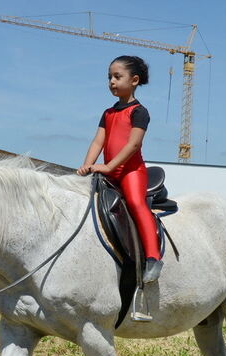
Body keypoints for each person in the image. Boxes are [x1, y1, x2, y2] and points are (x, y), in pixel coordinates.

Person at [77, 55, 162, 283]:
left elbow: (133, 144)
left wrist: (109, 166)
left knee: (135, 203)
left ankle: (153, 258)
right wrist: (87, 165)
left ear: (134, 80)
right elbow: (98, 142)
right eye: (109, 77)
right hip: (108, 170)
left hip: (130, 172)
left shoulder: (139, 111)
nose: (112, 82)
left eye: (117, 76)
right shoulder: (108, 113)